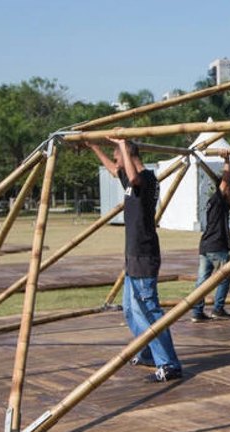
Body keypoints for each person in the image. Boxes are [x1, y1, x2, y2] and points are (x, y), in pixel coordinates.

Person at [88, 138, 182, 382]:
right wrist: (94, 146)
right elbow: (114, 170)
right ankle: (150, 352)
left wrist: (121, 142)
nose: (116, 160)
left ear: (128, 154)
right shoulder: (131, 181)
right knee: (131, 310)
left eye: (118, 154)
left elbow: (133, 178)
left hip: (144, 254)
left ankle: (169, 364)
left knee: (150, 310)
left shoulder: (147, 179)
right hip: (133, 256)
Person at [191, 149, 230, 322]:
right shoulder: (217, 198)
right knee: (225, 275)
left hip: (206, 245)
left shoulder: (218, 202)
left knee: (202, 281)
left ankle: (197, 312)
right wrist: (227, 160)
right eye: (229, 187)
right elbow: (224, 181)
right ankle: (218, 309)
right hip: (216, 245)